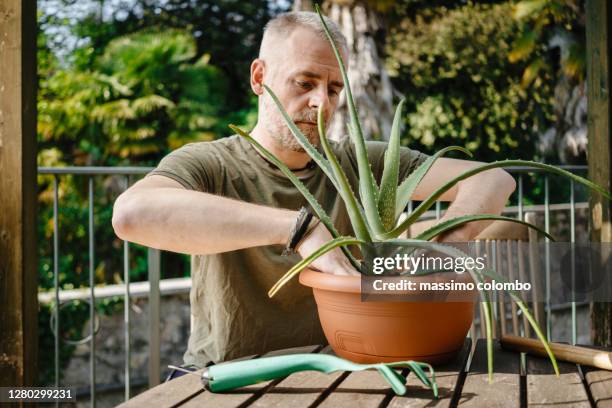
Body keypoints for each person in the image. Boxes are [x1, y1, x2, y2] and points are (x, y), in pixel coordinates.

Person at [112, 11, 516, 369]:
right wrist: (299, 228)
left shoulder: (360, 162)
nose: (322, 103)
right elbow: (132, 214)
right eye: (305, 82)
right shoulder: (211, 163)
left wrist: (448, 242)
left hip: (345, 368)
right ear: (259, 78)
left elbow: (494, 178)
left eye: (335, 89)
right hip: (229, 376)